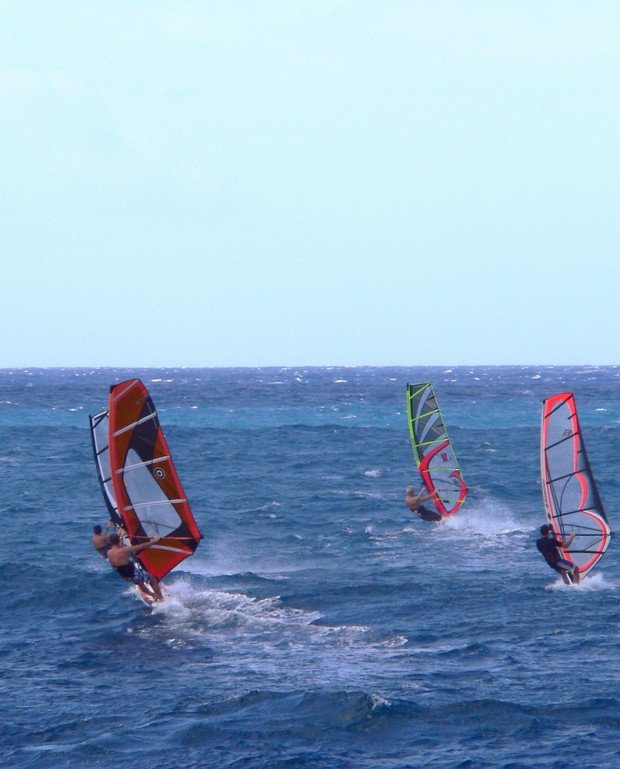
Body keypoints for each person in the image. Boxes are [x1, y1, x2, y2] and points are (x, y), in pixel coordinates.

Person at [107, 532, 164, 601]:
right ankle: (161, 599)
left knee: (140, 583)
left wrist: (121, 536)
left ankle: (153, 595)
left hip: (125, 576)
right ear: (118, 541)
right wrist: (154, 541)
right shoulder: (124, 550)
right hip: (133, 573)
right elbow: (142, 546)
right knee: (152, 580)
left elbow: (119, 549)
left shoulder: (109, 552)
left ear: (110, 542)